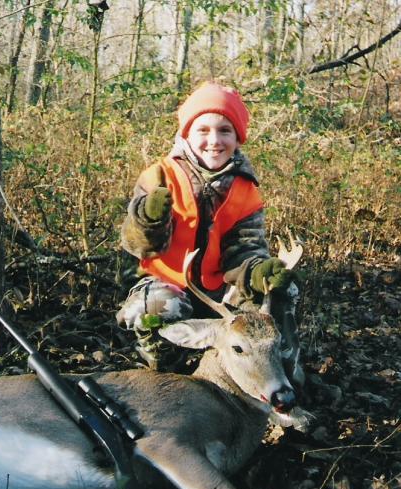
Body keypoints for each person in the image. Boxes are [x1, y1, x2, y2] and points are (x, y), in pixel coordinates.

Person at [116, 81, 300, 379]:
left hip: (221, 296)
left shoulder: (244, 188)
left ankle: (282, 376)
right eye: (203, 130)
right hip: (169, 285)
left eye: (225, 131)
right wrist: (148, 219)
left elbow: (246, 250)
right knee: (155, 306)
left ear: (238, 138)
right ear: (186, 133)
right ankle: (165, 375)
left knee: (281, 290)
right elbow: (136, 245)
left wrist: (257, 273)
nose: (214, 140)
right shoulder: (159, 175)